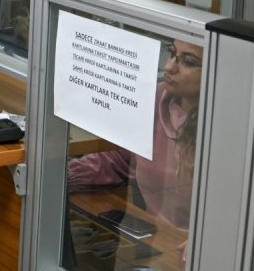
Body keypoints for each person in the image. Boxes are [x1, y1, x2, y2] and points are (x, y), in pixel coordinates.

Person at [69, 39, 204, 229]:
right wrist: (64, 176)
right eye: (172, 54)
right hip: (158, 240)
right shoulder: (156, 97)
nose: (169, 67)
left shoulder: (228, 129)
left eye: (188, 62)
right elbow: (122, 159)